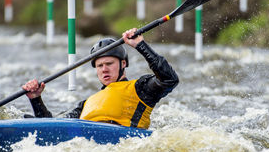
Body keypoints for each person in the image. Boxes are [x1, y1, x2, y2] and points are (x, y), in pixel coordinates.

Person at [22, 28, 179, 129]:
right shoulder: (86, 103)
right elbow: (54, 128)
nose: (104, 69)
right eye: (99, 66)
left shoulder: (140, 88)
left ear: (123, 63)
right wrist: (36, 99)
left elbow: (169, 79)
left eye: (109, 63)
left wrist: (140, 45)